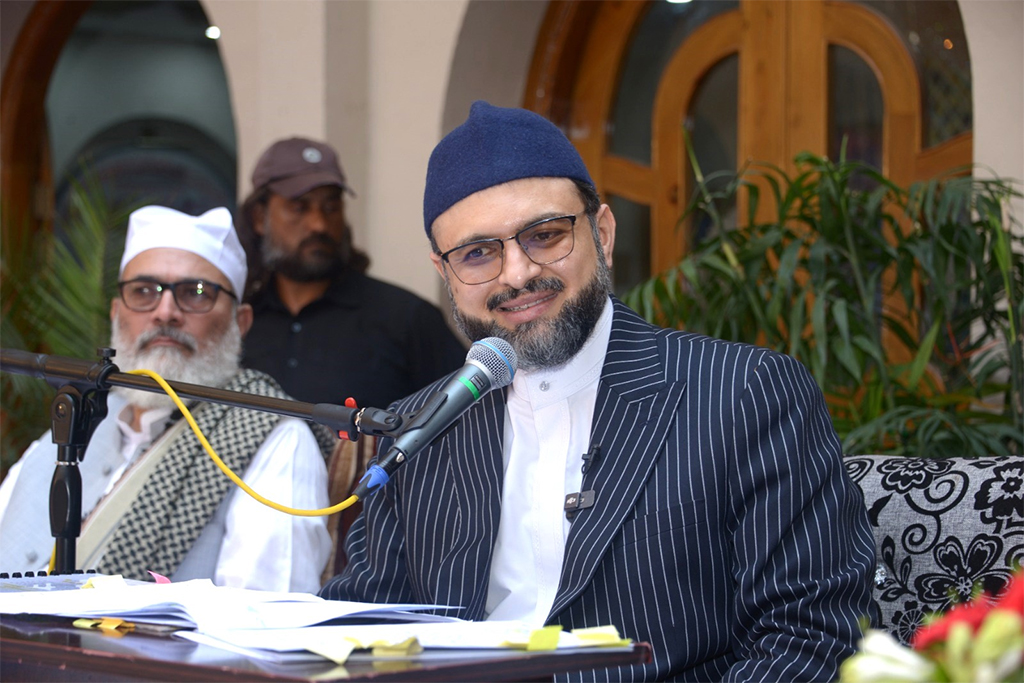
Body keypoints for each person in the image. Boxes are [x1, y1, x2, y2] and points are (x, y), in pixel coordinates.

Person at [320, 102, 878, 681]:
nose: (515, 273)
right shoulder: (420, 428)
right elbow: (367, 627)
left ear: (602, 234)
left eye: (544, 235)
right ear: (446, 275)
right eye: (478, 253)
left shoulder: (743, 395)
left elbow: (813, 633)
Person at [0, 206, 335, 592]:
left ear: (240, 323)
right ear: (116, 314)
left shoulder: (276, 439)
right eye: (143, 292)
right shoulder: (69, 431)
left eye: (196, 294)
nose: (165, 312)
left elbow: (261, 627)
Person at [236, 137, 466, 410]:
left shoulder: (405, 319)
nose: (319, 224)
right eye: (299, 207)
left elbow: (468, 420)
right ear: (259, 218)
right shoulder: (238, 322)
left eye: (331, 207)